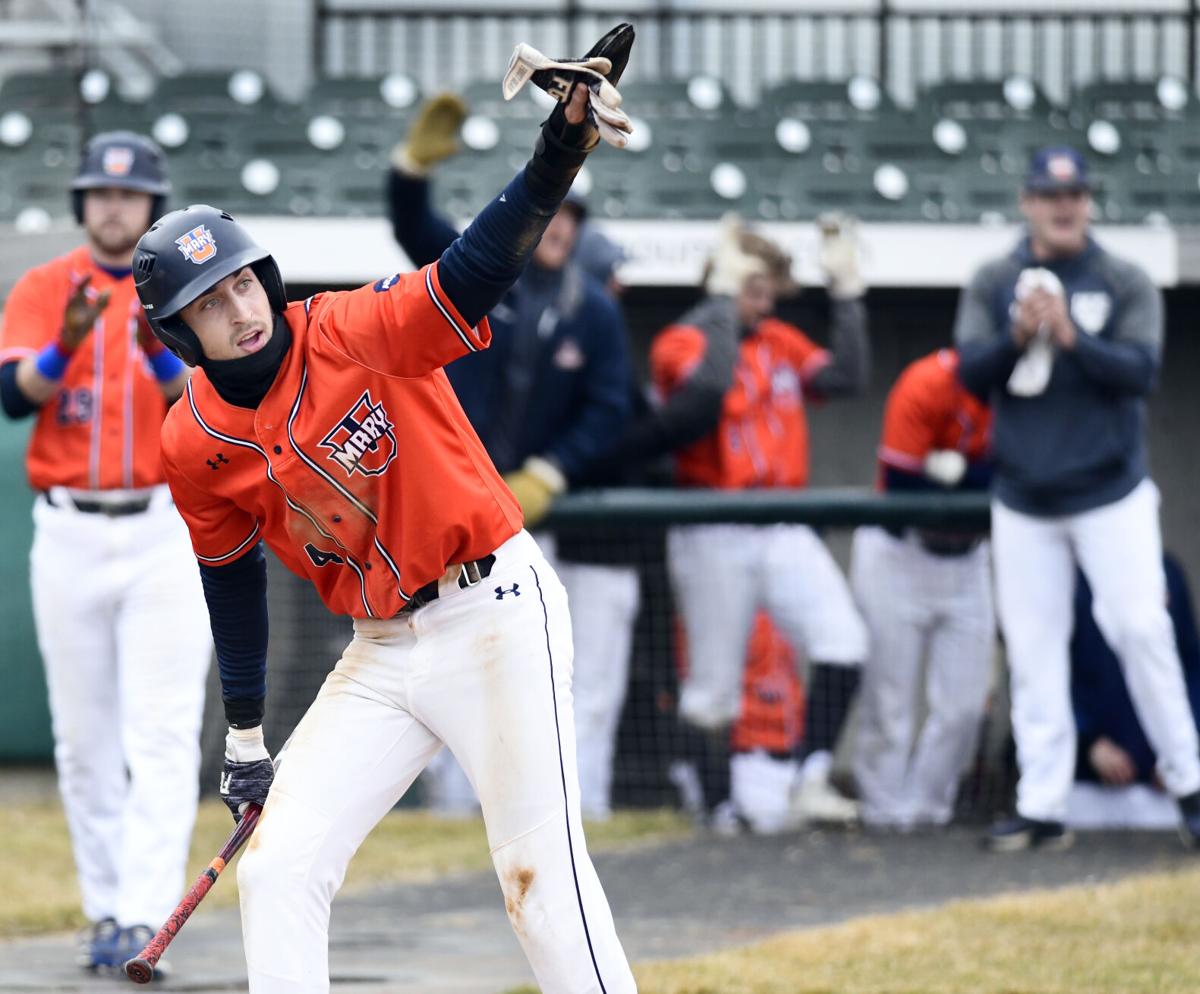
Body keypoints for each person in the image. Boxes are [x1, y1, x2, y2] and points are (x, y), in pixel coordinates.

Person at [132, 30, 637, 994]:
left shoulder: (349, 331)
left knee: (541, 885)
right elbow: (229, 581)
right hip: (380, 648)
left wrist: (557, 151)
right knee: (278, 870)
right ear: (180, 334)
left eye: (243, 279)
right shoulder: (190, 437)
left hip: (491, 610)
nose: (239, 306)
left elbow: (468, 274)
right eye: (210, 300)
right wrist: (244, 734)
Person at [386, 94, 636, 819]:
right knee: (450, 663)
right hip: (449, 503)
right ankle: (451, 808)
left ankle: (540, 809)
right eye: (552, 211)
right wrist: (409, 170)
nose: (560, 228)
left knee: (530, 663)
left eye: (572, 218)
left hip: (525, 508)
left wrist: (552, 470)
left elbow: (609, 407)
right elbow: (412, 224)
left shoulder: (594, 309)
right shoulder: (480, 272)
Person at [0, 132, 211, 972]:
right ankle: (103, 910)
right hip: (70, 527)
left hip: (162, 524)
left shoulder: (187, 284)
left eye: (127, 194)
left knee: (158, 733)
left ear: (151, 204)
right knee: (83, 739)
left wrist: (153, 344)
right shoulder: (47, 287)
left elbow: (200, 403)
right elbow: (12, 398)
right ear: (83, 202)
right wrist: (63, 348)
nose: (112, 205)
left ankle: (144, 917)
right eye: (99, 193)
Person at [953, 144, 1200, 851]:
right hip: (1025, 495)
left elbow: (1141, 372)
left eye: (1077, 195)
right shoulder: (995, 278)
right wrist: (1018, 336)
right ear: (1028, 201)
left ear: (1089, 201)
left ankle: (1190, 783)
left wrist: (1070, 336)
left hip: (1109, 492)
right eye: (1051, 195)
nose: (1065, 207)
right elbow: (970, 371)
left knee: (1141, 629)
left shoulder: (1121, 278)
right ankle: (1043, 804)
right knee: (1033, 652)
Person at [646, 213, 871, 826]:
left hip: (781, 519)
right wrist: (721, 299)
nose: (765, 301)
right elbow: (710, 390)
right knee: (714, 687)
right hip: (713, 521)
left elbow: (848, 376)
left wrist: (847, 295)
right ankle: (719, 809)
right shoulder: (681, 341)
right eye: (753, 286)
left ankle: (811, 779)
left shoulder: (779, 341)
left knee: (843, 640)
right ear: (721, 281)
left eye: (769, 289)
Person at [850, 348, 995, 830]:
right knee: (888, 703)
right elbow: (901, 485)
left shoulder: (1026, 394)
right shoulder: (927, 381)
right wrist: (964, 479)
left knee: (964, 707)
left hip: (969, 559)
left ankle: (928, 812)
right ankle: (882, 813)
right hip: (900, 555)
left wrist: (957, 473)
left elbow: (1024, 481)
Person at [1067, 554, 1200, 832]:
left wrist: (1179, 753)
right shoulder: (1070, 578)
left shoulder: (1168, 573)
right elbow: (1047, 676)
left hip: (1162, 789)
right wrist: (1088, 742)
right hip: (1085, 788)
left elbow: (1190, 666)